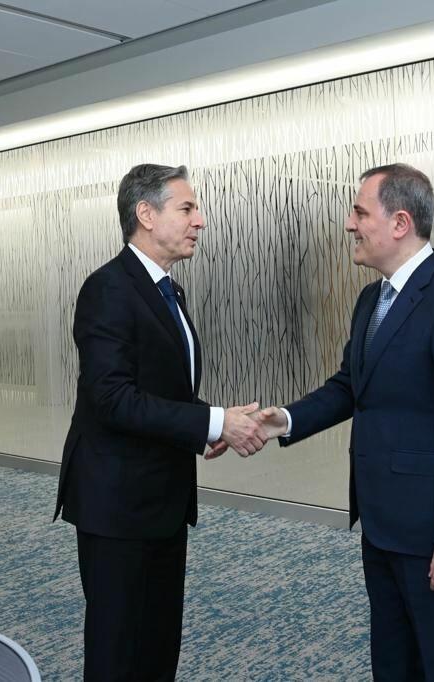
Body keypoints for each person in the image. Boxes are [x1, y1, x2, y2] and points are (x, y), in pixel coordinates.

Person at [253, 163, 434, 680]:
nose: (350, 224)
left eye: (360, 213)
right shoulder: (372, 298)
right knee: (393, 665)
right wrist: (284, 420)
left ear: (400, 222)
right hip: (382, 525)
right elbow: (351, 385)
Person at [54, 163, 267, 681]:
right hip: (118, 504)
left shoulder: (168, 290)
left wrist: (210, 422)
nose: (200, 220)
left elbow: (163, 390)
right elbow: (112, 398)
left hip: (162, 500)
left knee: (157, 642)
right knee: (118, 649)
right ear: (146, 215)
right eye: (187, 208)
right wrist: (211, 422)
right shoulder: (108, 288)